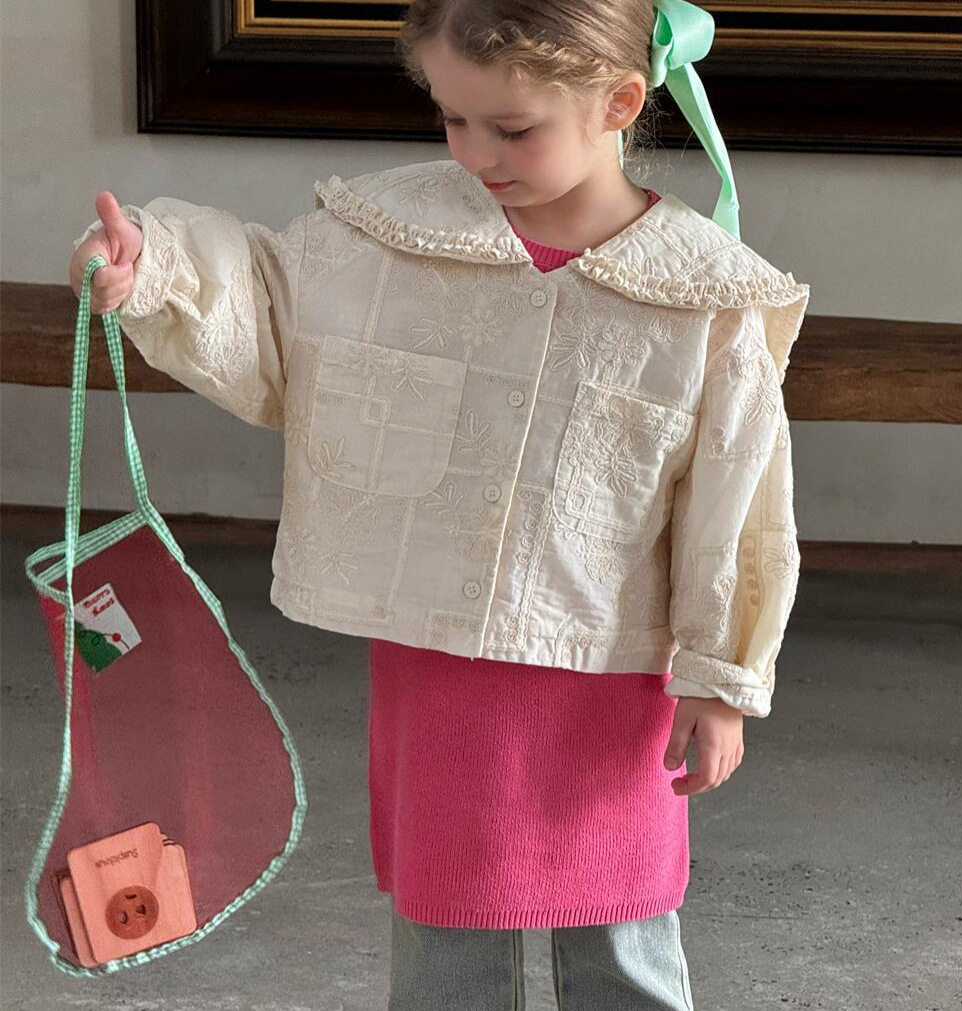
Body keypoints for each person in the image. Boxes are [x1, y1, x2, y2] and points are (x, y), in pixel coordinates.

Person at [68, 1, 811, 1006]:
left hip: (614, 668)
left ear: (619, 102)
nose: (475, 153)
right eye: (453, 119)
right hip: (438, 656)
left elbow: (740, 498)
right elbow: (272, 298)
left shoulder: (703, 297)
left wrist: (721, 680)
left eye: (511, 128)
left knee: (622, 916)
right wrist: (151, 264)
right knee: (447, 911)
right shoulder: (392, 235)